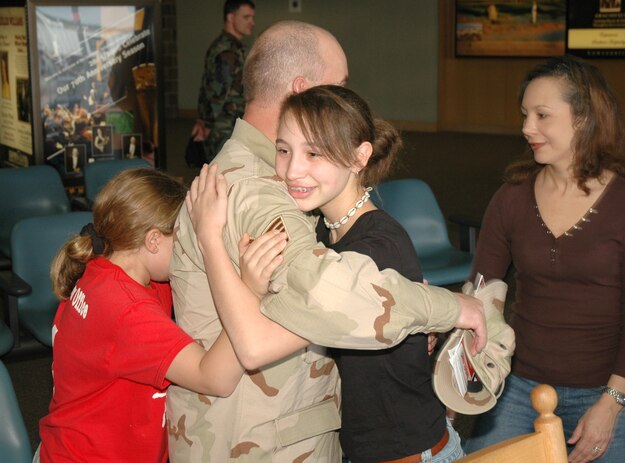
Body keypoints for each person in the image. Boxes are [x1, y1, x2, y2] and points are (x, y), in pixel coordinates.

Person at [167, 20, 486, 463]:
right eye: (340, 86)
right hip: (264, 440)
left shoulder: (248, 173)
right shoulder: (261, 192)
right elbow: (330, 293)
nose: (348, 100)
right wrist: (453, 307)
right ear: (304, 90)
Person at [461, 56, 625, 463]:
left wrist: (611, 403)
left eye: (542, 115)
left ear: (583, 118)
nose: (526, 128)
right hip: (520, 385)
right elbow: (481, 294)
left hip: (606, 386)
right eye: (524, 115)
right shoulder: (511, 198)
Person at [37, 168, 246, 462]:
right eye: (182, 238)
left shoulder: (103, 269)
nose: (187, 248)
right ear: (153, 241)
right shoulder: (126, 310)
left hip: (68, 447)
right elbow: (215, 378)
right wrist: (249, 291)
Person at [191, 0, 256, 163]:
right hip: (225, 127)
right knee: (224, 174)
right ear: (230, 17)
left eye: (252, 17)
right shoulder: (227, 52)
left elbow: (205, 86)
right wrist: (206, 124)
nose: (252, 22)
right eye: (246, 17)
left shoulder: (230, 46)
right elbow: (216, 94)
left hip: (229, 124)